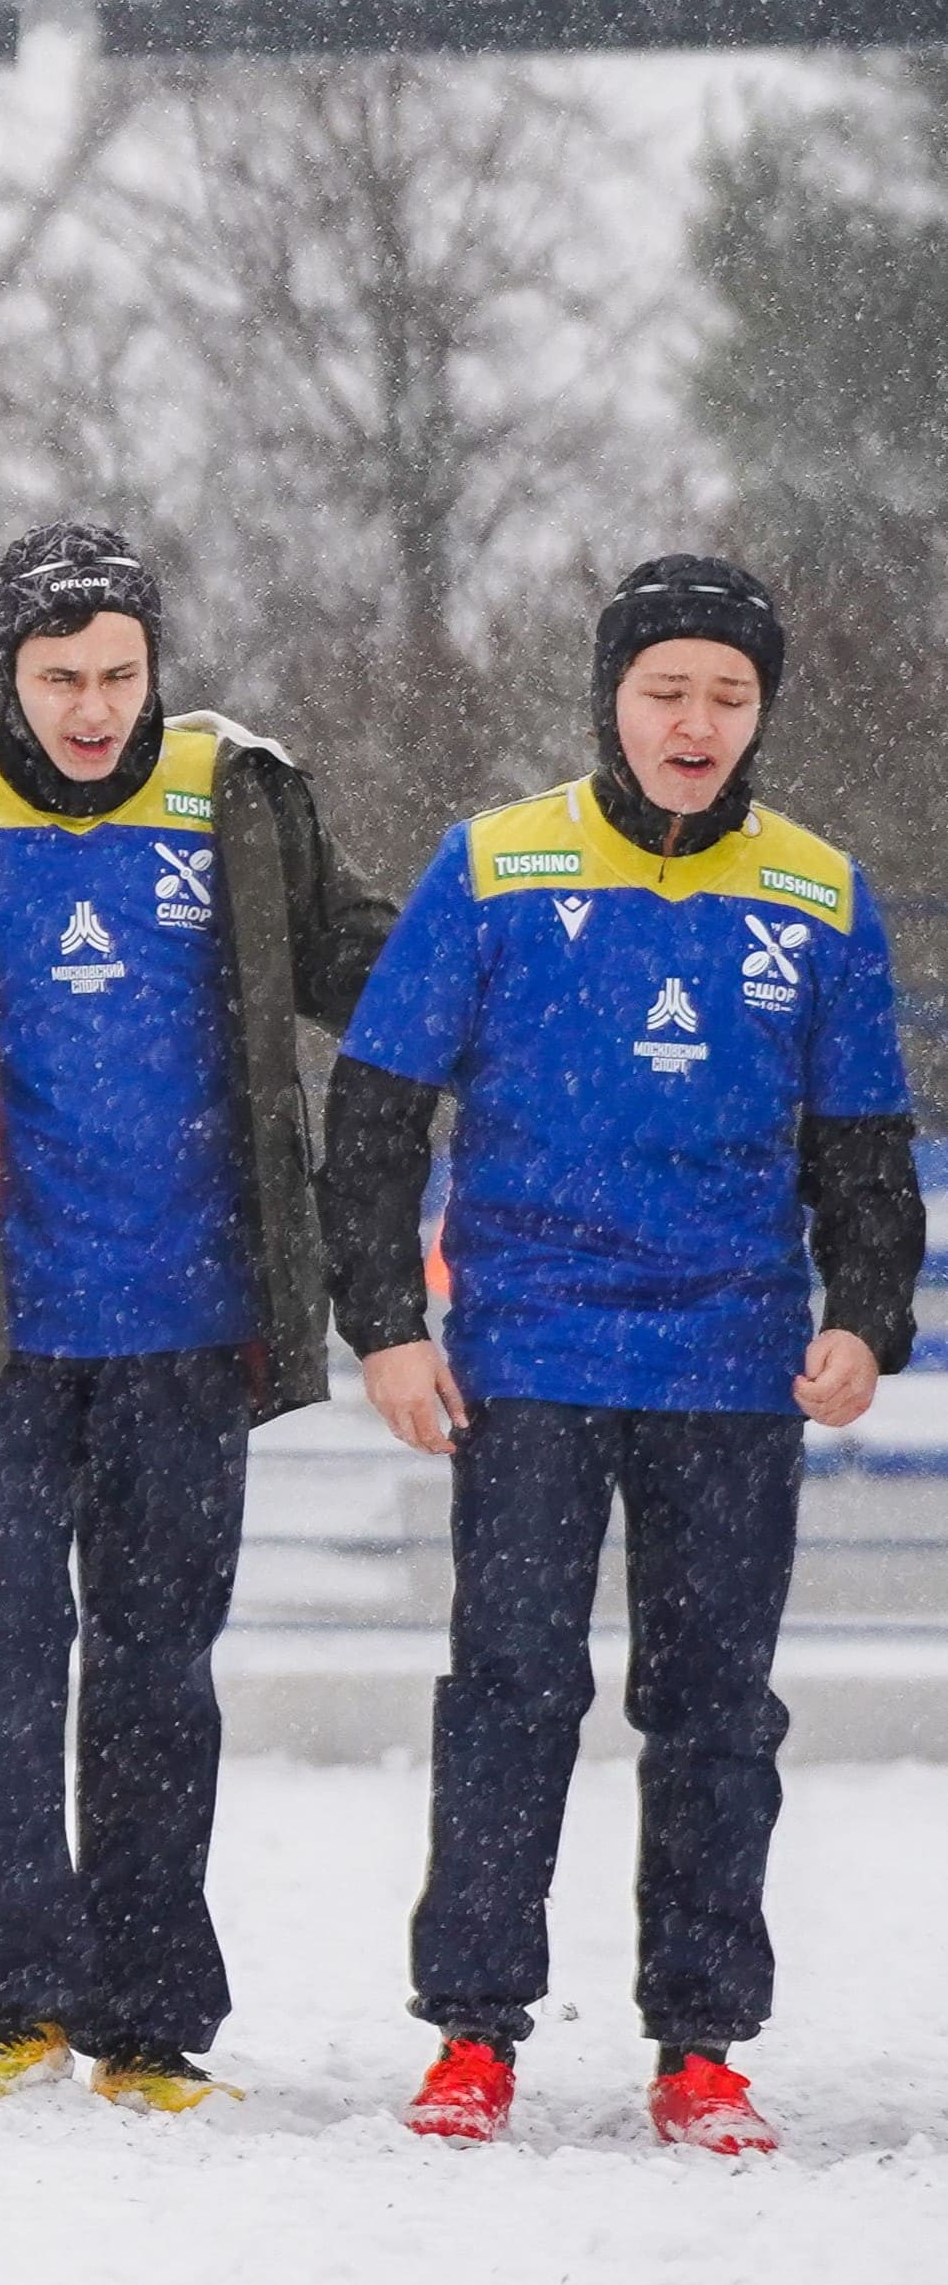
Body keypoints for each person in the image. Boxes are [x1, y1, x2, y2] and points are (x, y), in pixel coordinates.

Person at [326, 555, 917, 2157]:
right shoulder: (492, 866)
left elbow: (864, 1153)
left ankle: (699, 2047)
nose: (693, 721)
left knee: (714, 1709)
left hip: (730, 1366)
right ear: (611, 700)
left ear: (758, 715)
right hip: (529, 1358)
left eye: (727, 695)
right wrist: (384, 1327)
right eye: (665, 690)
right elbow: (373, 1116)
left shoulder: (818, 894)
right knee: (510, 1692)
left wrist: (864, 1315)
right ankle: (471, 2035)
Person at [0, 527, 391, 2114]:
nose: (90, 707)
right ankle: (11, 1996)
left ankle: (146, 2017)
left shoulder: (235, 790)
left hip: (189, 1319)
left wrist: (543, 997)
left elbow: (370, 967)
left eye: (117, 674)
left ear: (155, 668)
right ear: (2, 674)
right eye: (58, 676)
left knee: (156, 1672)